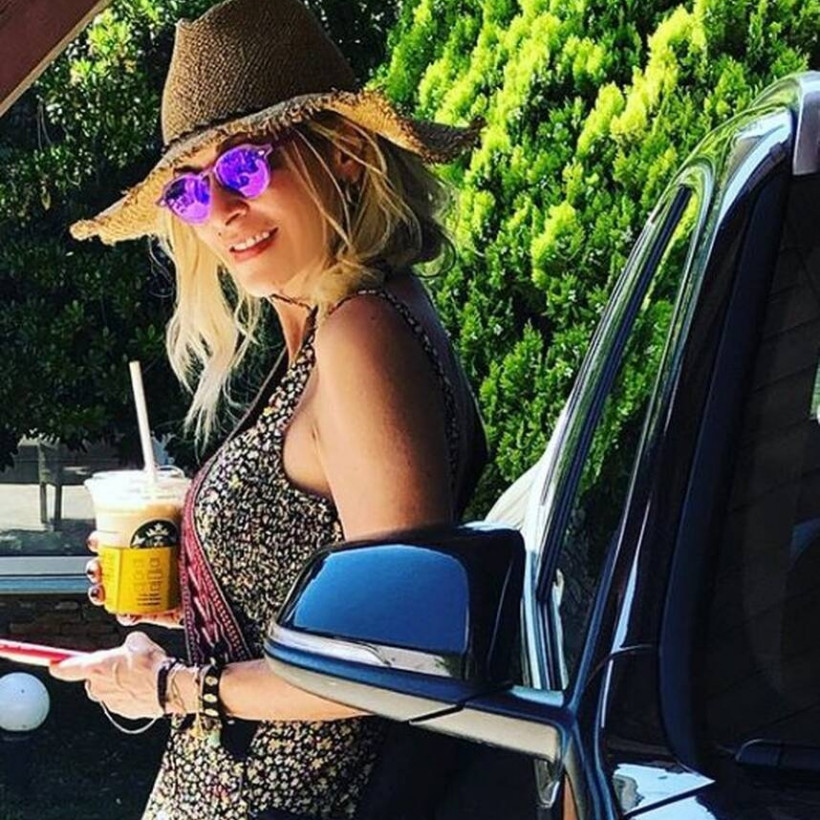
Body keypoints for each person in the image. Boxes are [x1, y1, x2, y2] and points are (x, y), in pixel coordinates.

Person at [49, 0, 487, 818]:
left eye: (245, 168)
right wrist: (195, 594)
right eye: (188, 191)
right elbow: (321, 597)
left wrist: (174, 687)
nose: (219, 211)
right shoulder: (338, 330)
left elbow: (394, 659)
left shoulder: (360, 336)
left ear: (345, 154)